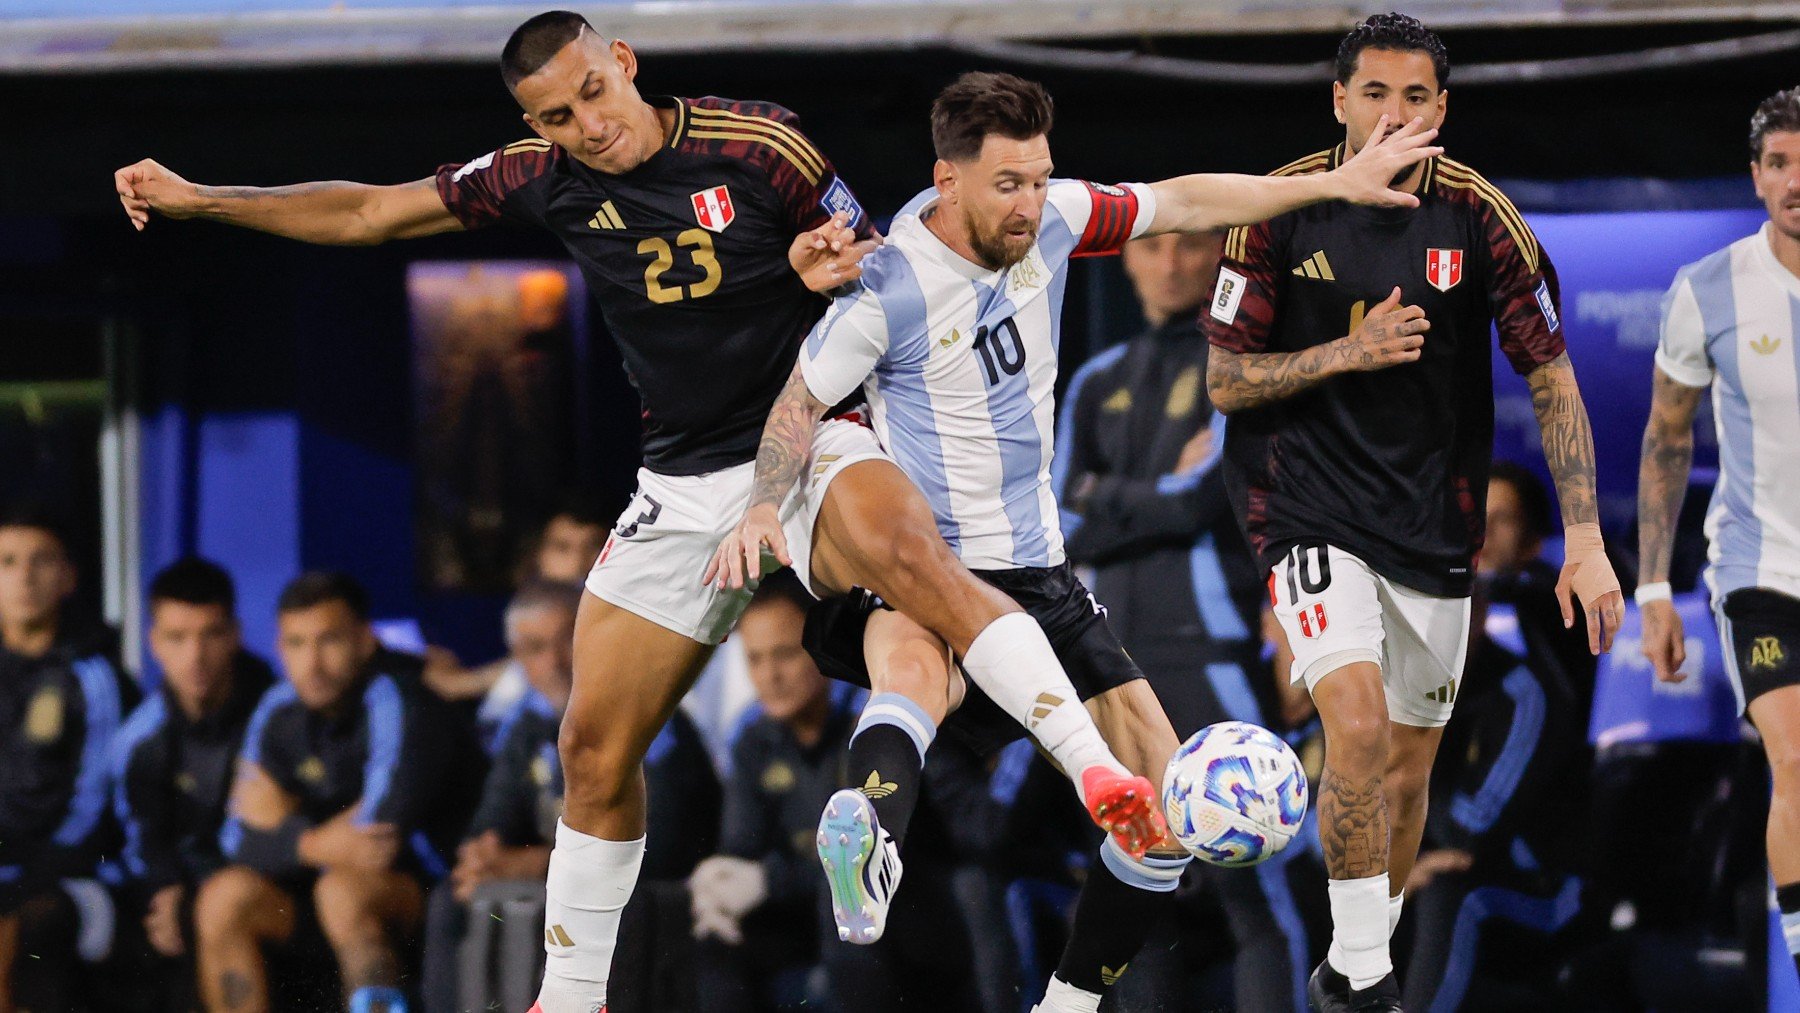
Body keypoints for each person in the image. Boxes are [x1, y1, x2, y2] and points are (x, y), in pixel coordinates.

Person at [117, 14, 1164, 1010]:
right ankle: (571, 993)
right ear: (535, 128)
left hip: (811, 441)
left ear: (623, 60)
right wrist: (201, 198)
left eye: (594, 92)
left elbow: (881, 264)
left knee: (922, 565)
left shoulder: (760, 145)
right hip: (682, 483)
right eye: (558, 116)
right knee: (590, 744)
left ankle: (1099, 775)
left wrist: (822, 267)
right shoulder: (543, 180)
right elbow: (368, 211)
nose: (589, 123)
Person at [713, 70, 1440, 1011]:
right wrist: (767, 501)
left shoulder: (1053, 218)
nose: (1028, 202)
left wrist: (1331, 183)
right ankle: (876, 834)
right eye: (1007, 183)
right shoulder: (889, 288)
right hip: (937, 562)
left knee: (1166, 817)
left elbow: (1184, 200)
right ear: (947, 180)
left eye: (1038, 175)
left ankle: (1048, 984)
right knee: (918, 665)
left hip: (1040, 569)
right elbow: (800, 402)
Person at [1202, 14, 1623, 1010]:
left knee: (1401, 769)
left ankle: (1352, 967)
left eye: (1417, 96)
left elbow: (1553, 377)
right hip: (1301, 505)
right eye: (1376, 94)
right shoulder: (1275, 208)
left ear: (1443, 107)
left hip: (1432, 521)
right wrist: (1349, 350)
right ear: (1339, 101)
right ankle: (1370, 981)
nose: (1396, 114)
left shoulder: (1480, 218)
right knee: (1349, 720)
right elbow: (1224, 381)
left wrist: (1591, 540)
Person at [1058, 230, 1311, 1010]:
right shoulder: (1098, 380)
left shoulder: (1233, 369)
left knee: (1255, 887)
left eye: (1188, 246)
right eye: (1152, 247)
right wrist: (1149, 495)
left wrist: (1111, 492)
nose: (1169, 262)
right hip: (1111, 665)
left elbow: (1202, 500)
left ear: (1215, 257)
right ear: (1125, 259)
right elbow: (1058, 523)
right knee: (1137, 886)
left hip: (1211, 658)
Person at [1637, 84, 1800, 986]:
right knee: (1797, 755)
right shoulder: (1707, 289)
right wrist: (1653, 590)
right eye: (1779, 163)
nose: (1795, 181)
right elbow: (1667, 437)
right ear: (1754, 175)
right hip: (1759, 569)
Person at [690, 575, 977, 1012]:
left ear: (819, 648)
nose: (770, 675)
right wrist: (718, 887)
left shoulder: (881, 724)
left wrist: (770, 879)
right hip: (797, 919)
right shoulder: (752, 738)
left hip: (906, 915)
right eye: (755, 659)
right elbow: (741, 851)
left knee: (844, 897)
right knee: (710, 935)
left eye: (785, 654)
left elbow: (894, 854)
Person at [199, 572, 482, 1013]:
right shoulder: (278, 708)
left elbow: (375, 842)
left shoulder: (398, 699)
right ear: (279, 650)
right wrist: (315, 841)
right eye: (296, 644)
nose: (311, 663)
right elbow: (236, 840)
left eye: (328, 641)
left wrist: (286, 825)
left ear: (365, 642)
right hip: (315, 890)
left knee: (343, 891)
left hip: (424, 894)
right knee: (224, 897)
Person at [112, 558, 278, 1009]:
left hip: (273, 888)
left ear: (235, 636)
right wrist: (164, 889)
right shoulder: (139, 738)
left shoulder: (279, 714)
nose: (195, 656)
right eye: (176, 638)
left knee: (210, 910)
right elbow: (140, 836)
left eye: (211, 634)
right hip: (186, 889)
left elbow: (272, 830)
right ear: (153, 644)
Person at [0, 504, 134, 1012]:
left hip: (76, 877)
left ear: (69, 577)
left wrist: (21, 870)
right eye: (8, 562)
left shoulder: (95, 677)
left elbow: (95, 803)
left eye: (41, 561)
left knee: (21, 929)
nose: (24, 578)